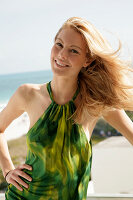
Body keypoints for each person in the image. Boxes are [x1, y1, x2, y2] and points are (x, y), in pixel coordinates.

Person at [0, 16, 133, 200]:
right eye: (59, 44)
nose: (62, 55)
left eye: (73, 51)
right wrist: (8, 170)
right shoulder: (27, 94)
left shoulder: (95, 103)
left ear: (87, 60)